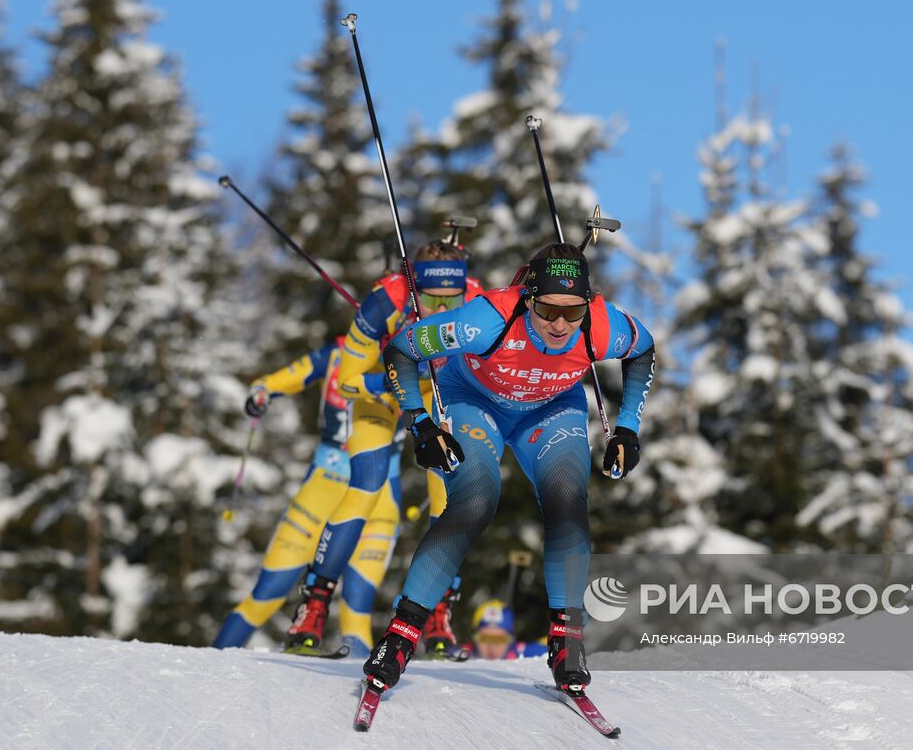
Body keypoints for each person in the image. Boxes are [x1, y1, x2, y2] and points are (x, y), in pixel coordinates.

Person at [362, 242, 656, 694]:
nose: (560, 324)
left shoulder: (601, 324)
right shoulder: (487, 319)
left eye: (572, 312)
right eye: (546, 310)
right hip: (475, 402)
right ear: (527, 297)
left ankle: (566, 640)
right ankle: (402, 634)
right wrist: (420, 424)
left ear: (588, 304)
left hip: (551, 409)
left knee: (567, 500)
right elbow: (402, 349)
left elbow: (644, 349)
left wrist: (629, 427)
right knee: (476, 499)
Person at [280, 241, 484, 656]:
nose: (444, 311)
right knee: (368, 483)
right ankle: (315, 605)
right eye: (431, 300)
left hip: (435, 393)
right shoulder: (382, 306)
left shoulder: (479, 302)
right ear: (413, 294)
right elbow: (346, 381)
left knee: (451, 490)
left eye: (453, 300)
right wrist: (393, 380)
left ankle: (438, 612)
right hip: (380, 393)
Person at [212, 337, 399, 653]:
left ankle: (361, 691)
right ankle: (206, 668)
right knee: (267, 593)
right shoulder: (337, 356)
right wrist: (261, 390)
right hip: (321, 490)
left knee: (357, 606)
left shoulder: (410, 359)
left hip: (379, 499)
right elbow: (282, 378)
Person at [464, 599, 546, 661]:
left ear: (511, 640)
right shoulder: (461, 654)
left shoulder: (526, 654)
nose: (492, 646)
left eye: (499, 639)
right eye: (484, 638)